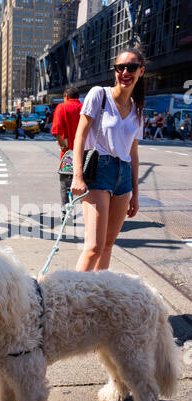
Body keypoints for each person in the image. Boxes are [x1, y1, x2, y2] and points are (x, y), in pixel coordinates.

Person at [71, 47, 145, 272]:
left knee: (108, 245)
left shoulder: (138, 110)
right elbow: (80, 135)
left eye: (131, 67)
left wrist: (135, 193)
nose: (124, 72)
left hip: (122, 177)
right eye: (119, 67)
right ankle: (70, 299)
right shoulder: (99, 94)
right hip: (98, 170)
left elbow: (133, 154)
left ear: (141, 71)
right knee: (94, 246)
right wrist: (77, 176)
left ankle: (98, 299)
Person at [51, 87, 83, 221]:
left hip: (68, 154)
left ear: (66, 96)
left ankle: (66, 214)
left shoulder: (62, 107)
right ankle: (90, 214)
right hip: (84, 154)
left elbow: (57, 129)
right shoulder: (84, 107)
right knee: (86, 185)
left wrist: (61, 144)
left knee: (65, 186)